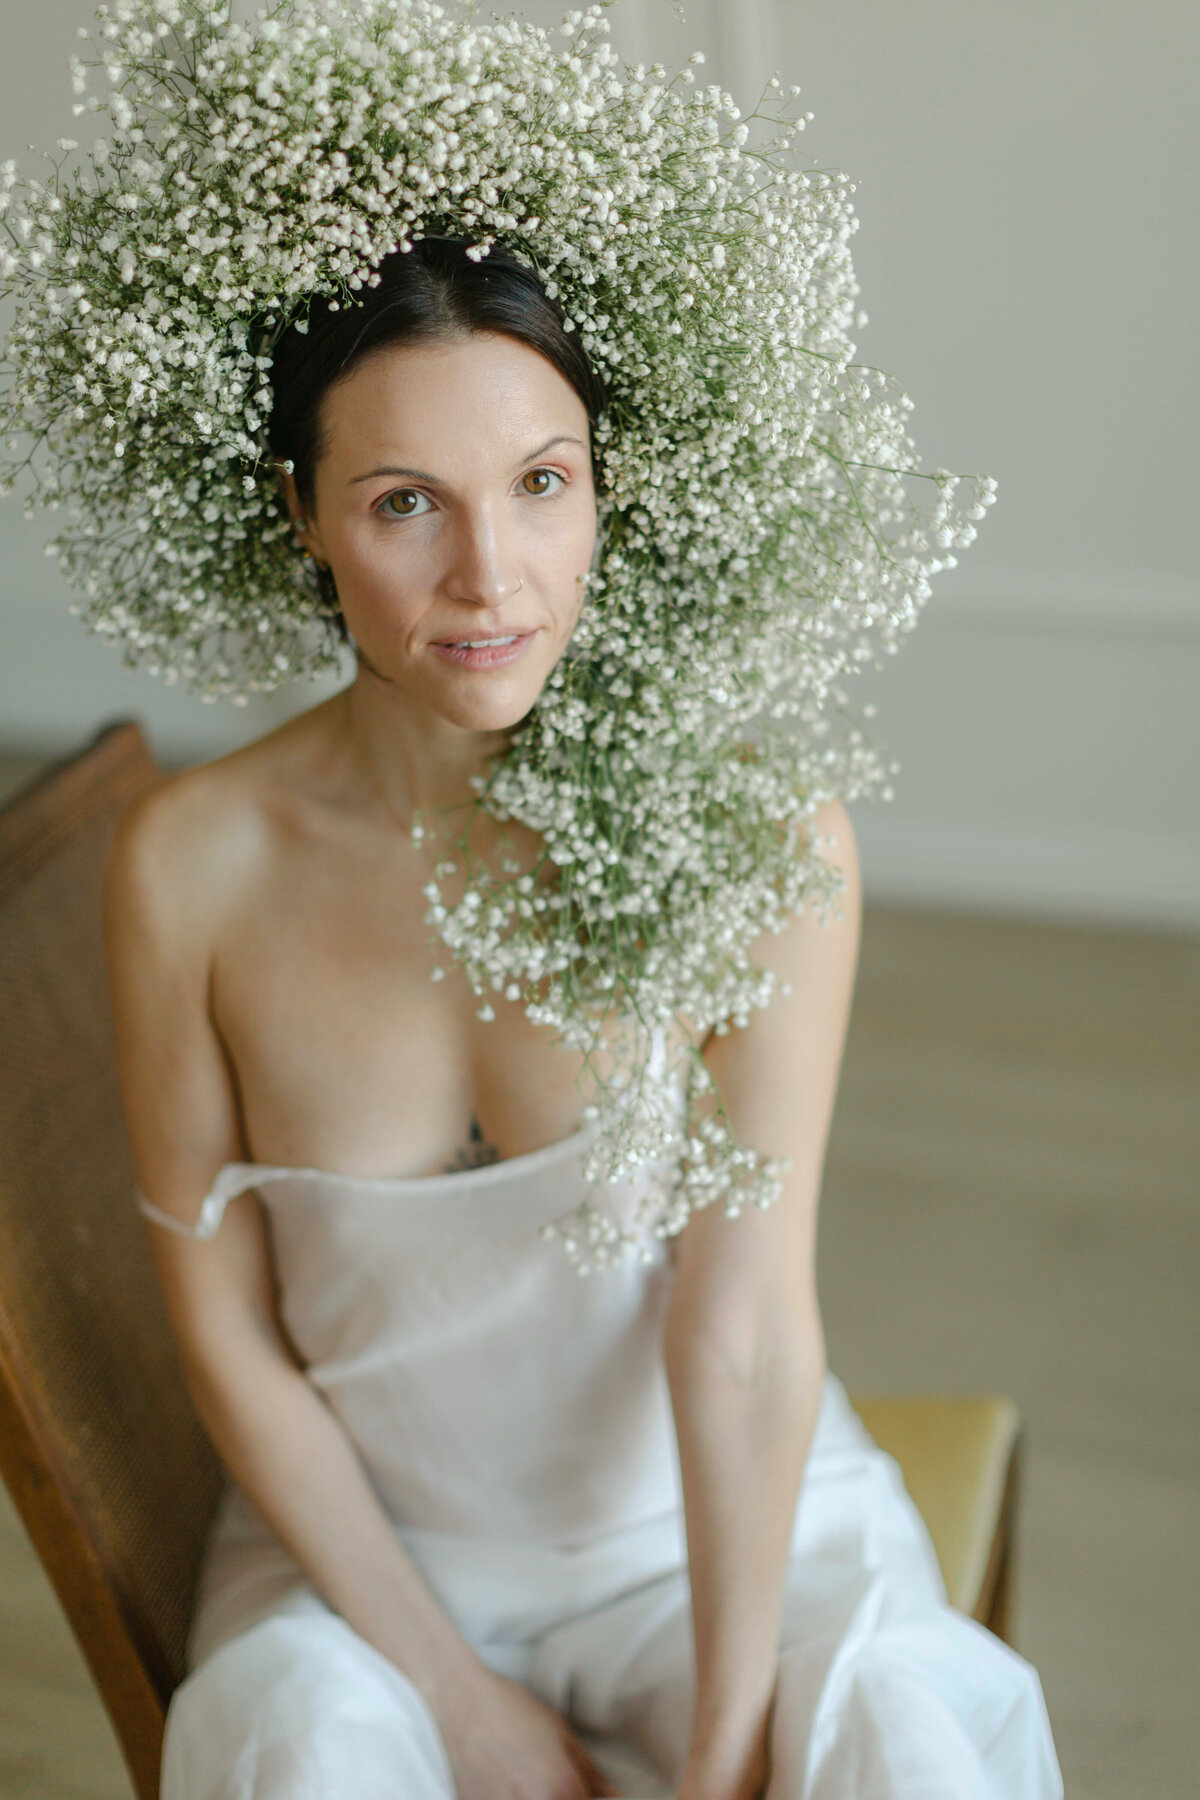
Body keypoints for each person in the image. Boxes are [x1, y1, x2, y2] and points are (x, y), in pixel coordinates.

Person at [103, 236, 1063, 1799]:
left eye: (542, 483)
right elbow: (226, 1332)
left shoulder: (757, 840)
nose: (492, 575)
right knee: (301, 1760)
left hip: (724, 1537)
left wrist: (726, 1743)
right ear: (302, 516)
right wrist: (456, 1699)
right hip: (369, 1554)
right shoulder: (195, 867)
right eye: (405, 501)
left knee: (899, 1747)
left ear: (605, 487)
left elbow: (741, 1327)